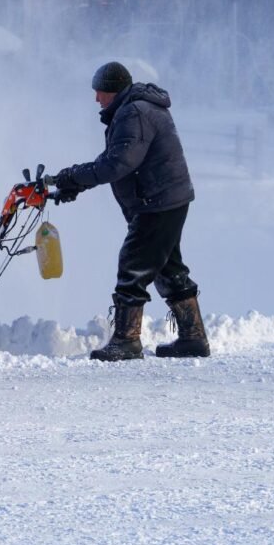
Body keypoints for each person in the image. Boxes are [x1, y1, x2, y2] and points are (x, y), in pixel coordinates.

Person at [51, 61, 210, 361]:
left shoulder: (134, 112)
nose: (97, 98)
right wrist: (75, 183)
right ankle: (193, 338)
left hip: (157, 202)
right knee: (168, 268)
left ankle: (127, 339)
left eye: (100, 91)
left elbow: (118, 164)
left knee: (133, 265)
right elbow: (116, 157)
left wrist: (73, 176)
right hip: (166, 199)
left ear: (113, 89)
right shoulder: (133, 109)